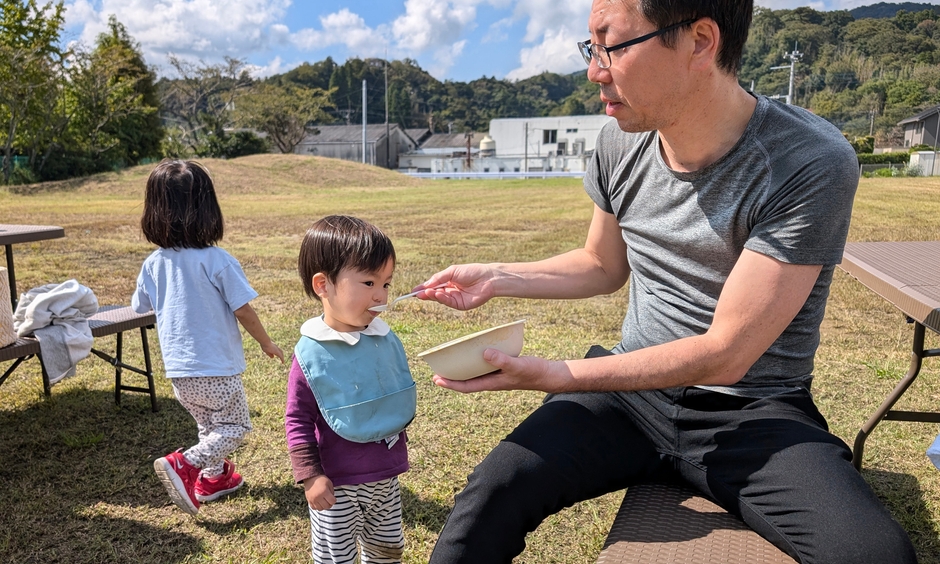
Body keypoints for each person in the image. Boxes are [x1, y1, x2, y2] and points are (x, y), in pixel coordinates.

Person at [412, 1, 919, 563]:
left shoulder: (807, 160)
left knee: (875, 554)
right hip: (628, 397)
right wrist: (496, 276)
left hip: (754, 409)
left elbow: (726, 354)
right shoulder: (620, 141)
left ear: (700, 41)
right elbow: (602, 264)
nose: (594, 70)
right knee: (492, 494)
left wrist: (558, 375)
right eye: (591, 47)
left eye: (611, 46)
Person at [132, 159, 284, 516]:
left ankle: (213, 479)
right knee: (235, 427)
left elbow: (140, 306)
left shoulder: (153, 263)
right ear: (207, 210)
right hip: (215, 368)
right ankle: (184, 464)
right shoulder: (217, 260)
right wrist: (266, 342)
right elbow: (243, 310)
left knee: (209, 426)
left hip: (179, 372)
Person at [285, 215, 416, 564]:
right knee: (336, 558)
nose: (381, 295)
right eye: (369, 282)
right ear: (323, 285)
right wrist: (311, 476)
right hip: (336, 484)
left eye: (386, 284)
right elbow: (297, 419)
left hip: (385, 477)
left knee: (388, 551)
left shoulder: (382, 338)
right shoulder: (313, 354)